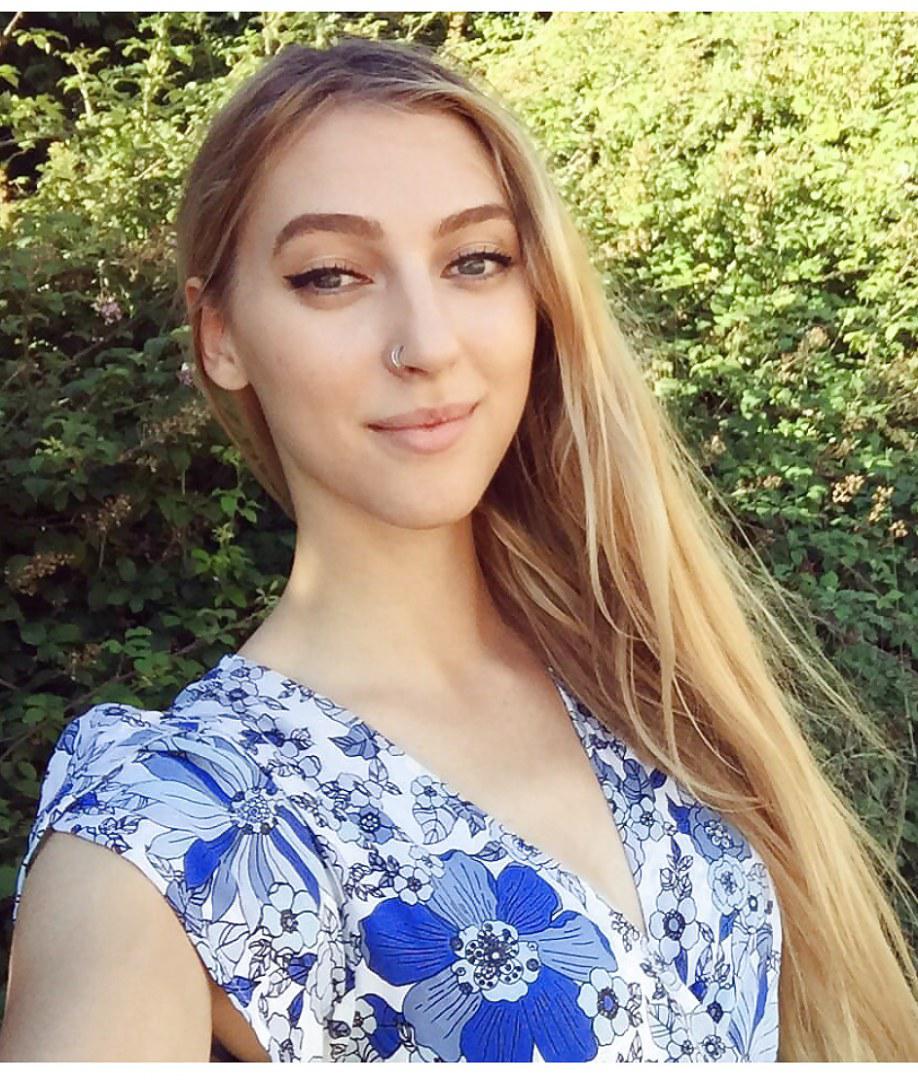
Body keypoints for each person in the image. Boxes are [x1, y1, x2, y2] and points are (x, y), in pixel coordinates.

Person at [1, 34, 916, 1064]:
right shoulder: (165, 822)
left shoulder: (648, 677)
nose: (427, 343)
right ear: (220, 335)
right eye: (331, 276)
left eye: (476, 261)